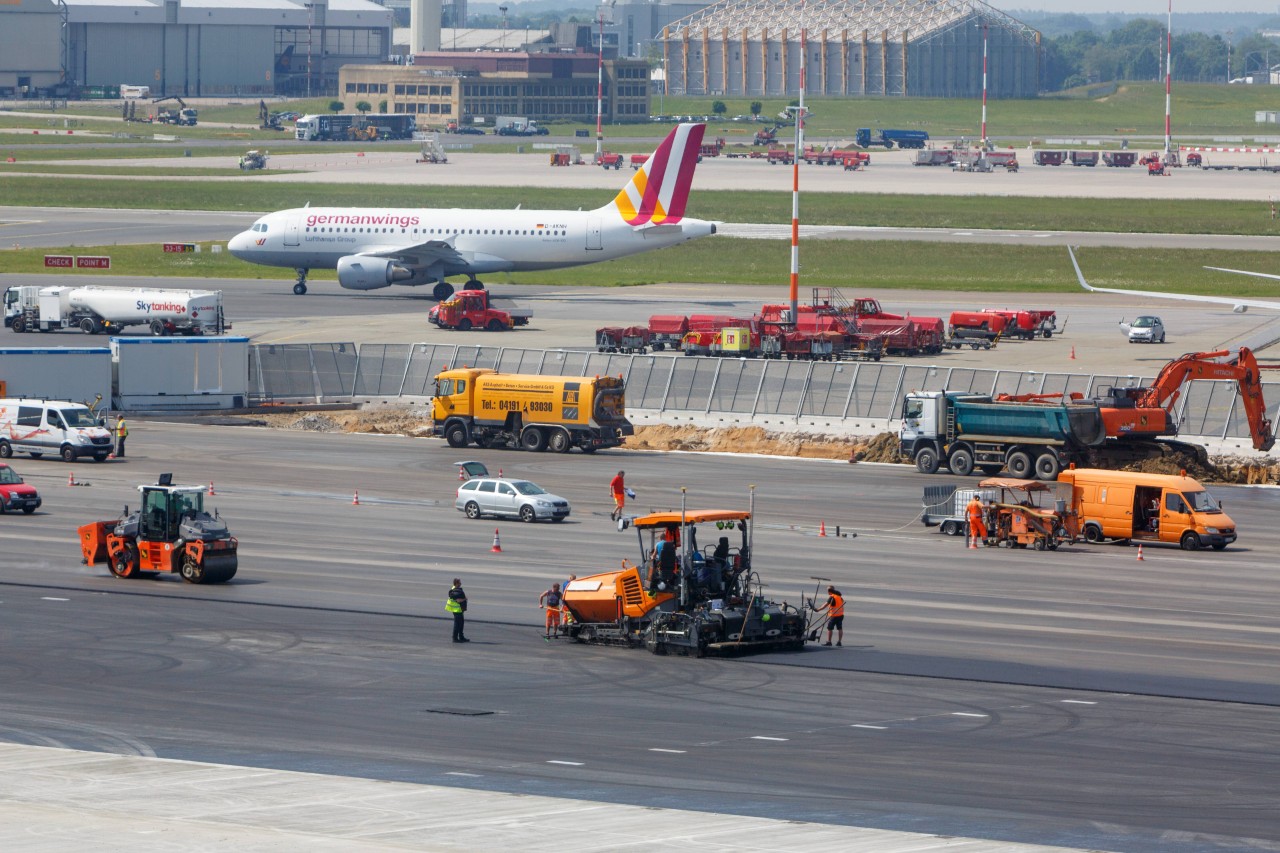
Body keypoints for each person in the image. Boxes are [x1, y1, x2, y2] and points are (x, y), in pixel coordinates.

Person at [446, 578, 468, 643]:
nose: (461, 583)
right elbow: (458, 600)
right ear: (456, 583)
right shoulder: (456, 592)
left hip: (459, 609)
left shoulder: (454, 590)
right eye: (459, 582)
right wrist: (465, 599)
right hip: (457, 610)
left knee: (461, 623)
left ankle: (461, 636)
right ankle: (455, 638)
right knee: (457, 624)